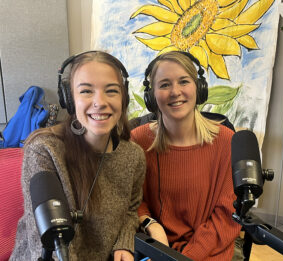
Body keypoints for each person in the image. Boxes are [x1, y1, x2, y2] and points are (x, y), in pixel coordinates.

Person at [10, 51, 146, 261]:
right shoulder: (44, 150)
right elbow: (43, 241)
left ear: (123, 98)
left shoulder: (133, 156)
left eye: (111, 91)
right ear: (70, 100)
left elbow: (131, 210)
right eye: (86, 91)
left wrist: (124, 244)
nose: (100, 102)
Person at [131, 51, 241, 260]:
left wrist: (185, 257)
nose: (175, 92)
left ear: (198, 89)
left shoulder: (226, 141)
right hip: (155, 248)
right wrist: (150, 224)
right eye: (164, 85)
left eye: (183, 81)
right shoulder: (138, 140)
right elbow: (131, 199)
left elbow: (227, 216)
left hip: (209, 252)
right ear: (151, 96)